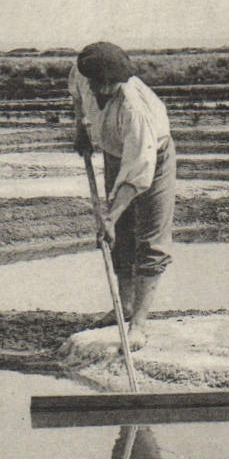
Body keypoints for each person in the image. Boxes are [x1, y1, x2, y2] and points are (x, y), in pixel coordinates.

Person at [72, 41, 175, 349]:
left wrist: (109, 216)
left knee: (150, 237)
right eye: (98, 84)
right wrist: (81, 128)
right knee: (119, 236)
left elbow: (138, 172)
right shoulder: (81, 75)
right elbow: (77, 97)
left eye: (111, 84)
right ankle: (125, 305)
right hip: (115, 152)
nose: (104, 90)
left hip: (153, 156)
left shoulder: (134, 109)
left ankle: (139, 325)